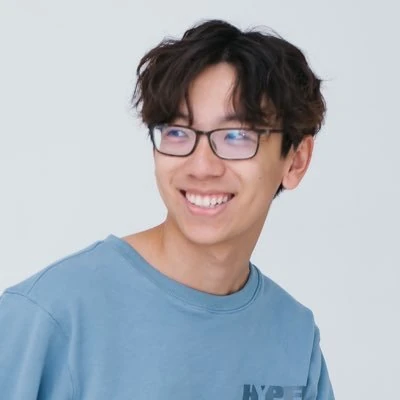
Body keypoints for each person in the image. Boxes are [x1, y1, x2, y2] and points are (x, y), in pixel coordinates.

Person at [0, 19, 335, 399]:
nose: (202, 166)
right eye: (177, 132)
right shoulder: (48, 315)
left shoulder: (294, 336)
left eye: (237, 136)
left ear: (296, 161)